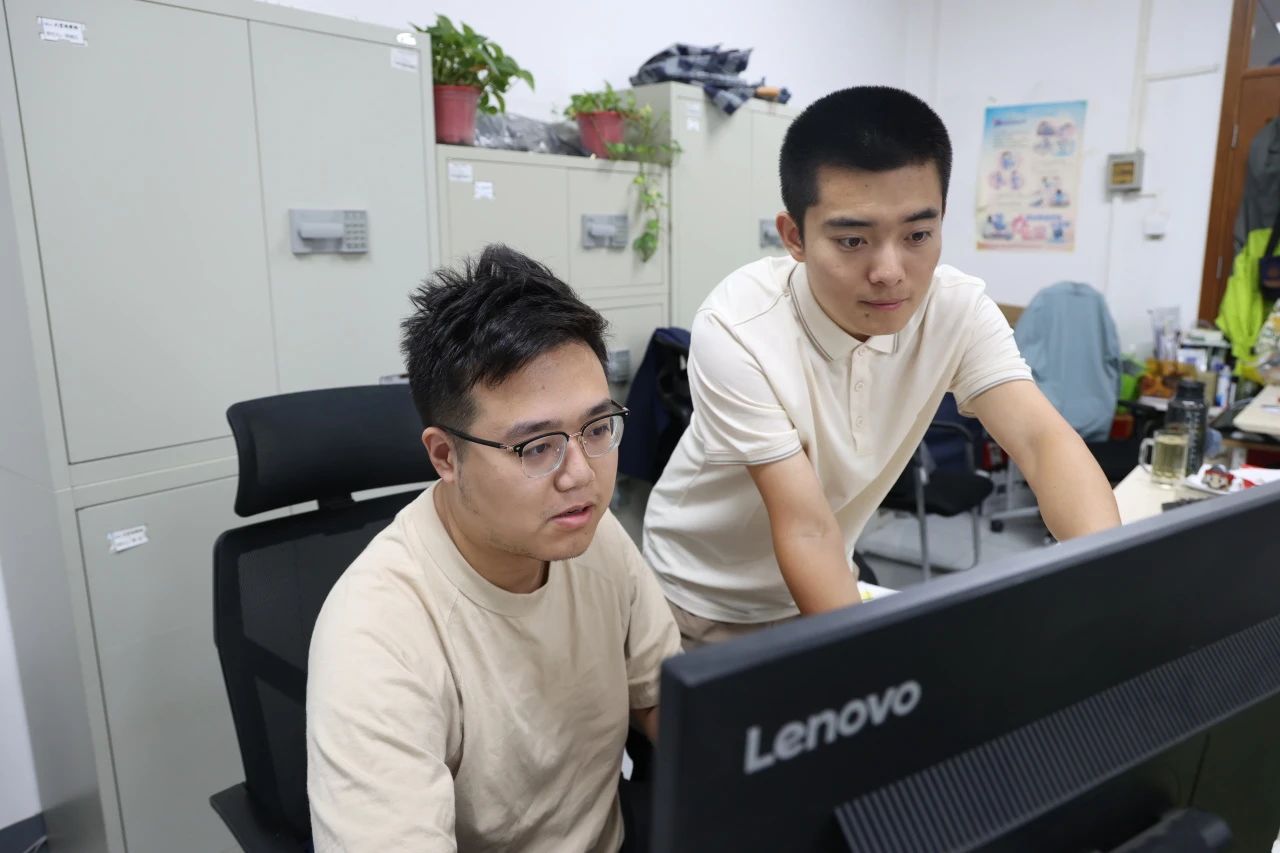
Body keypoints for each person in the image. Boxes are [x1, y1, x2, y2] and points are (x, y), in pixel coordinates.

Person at [642, 86, 1120, 650]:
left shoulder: (957, 309)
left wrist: (1110, 591)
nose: (890, 271)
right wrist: (869, 673)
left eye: (918, 235)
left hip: (826, 577)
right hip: (700, 595)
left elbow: (1043, 443)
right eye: (852, 240)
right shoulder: (738, 328)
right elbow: (806, 526)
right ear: (795, 236)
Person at [307, 244, 682, 851]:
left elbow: (662, 699)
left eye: (596, 428)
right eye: (536, 447)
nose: (581, 475)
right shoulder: (376, 634)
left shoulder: (591, 534)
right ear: (445, 456)